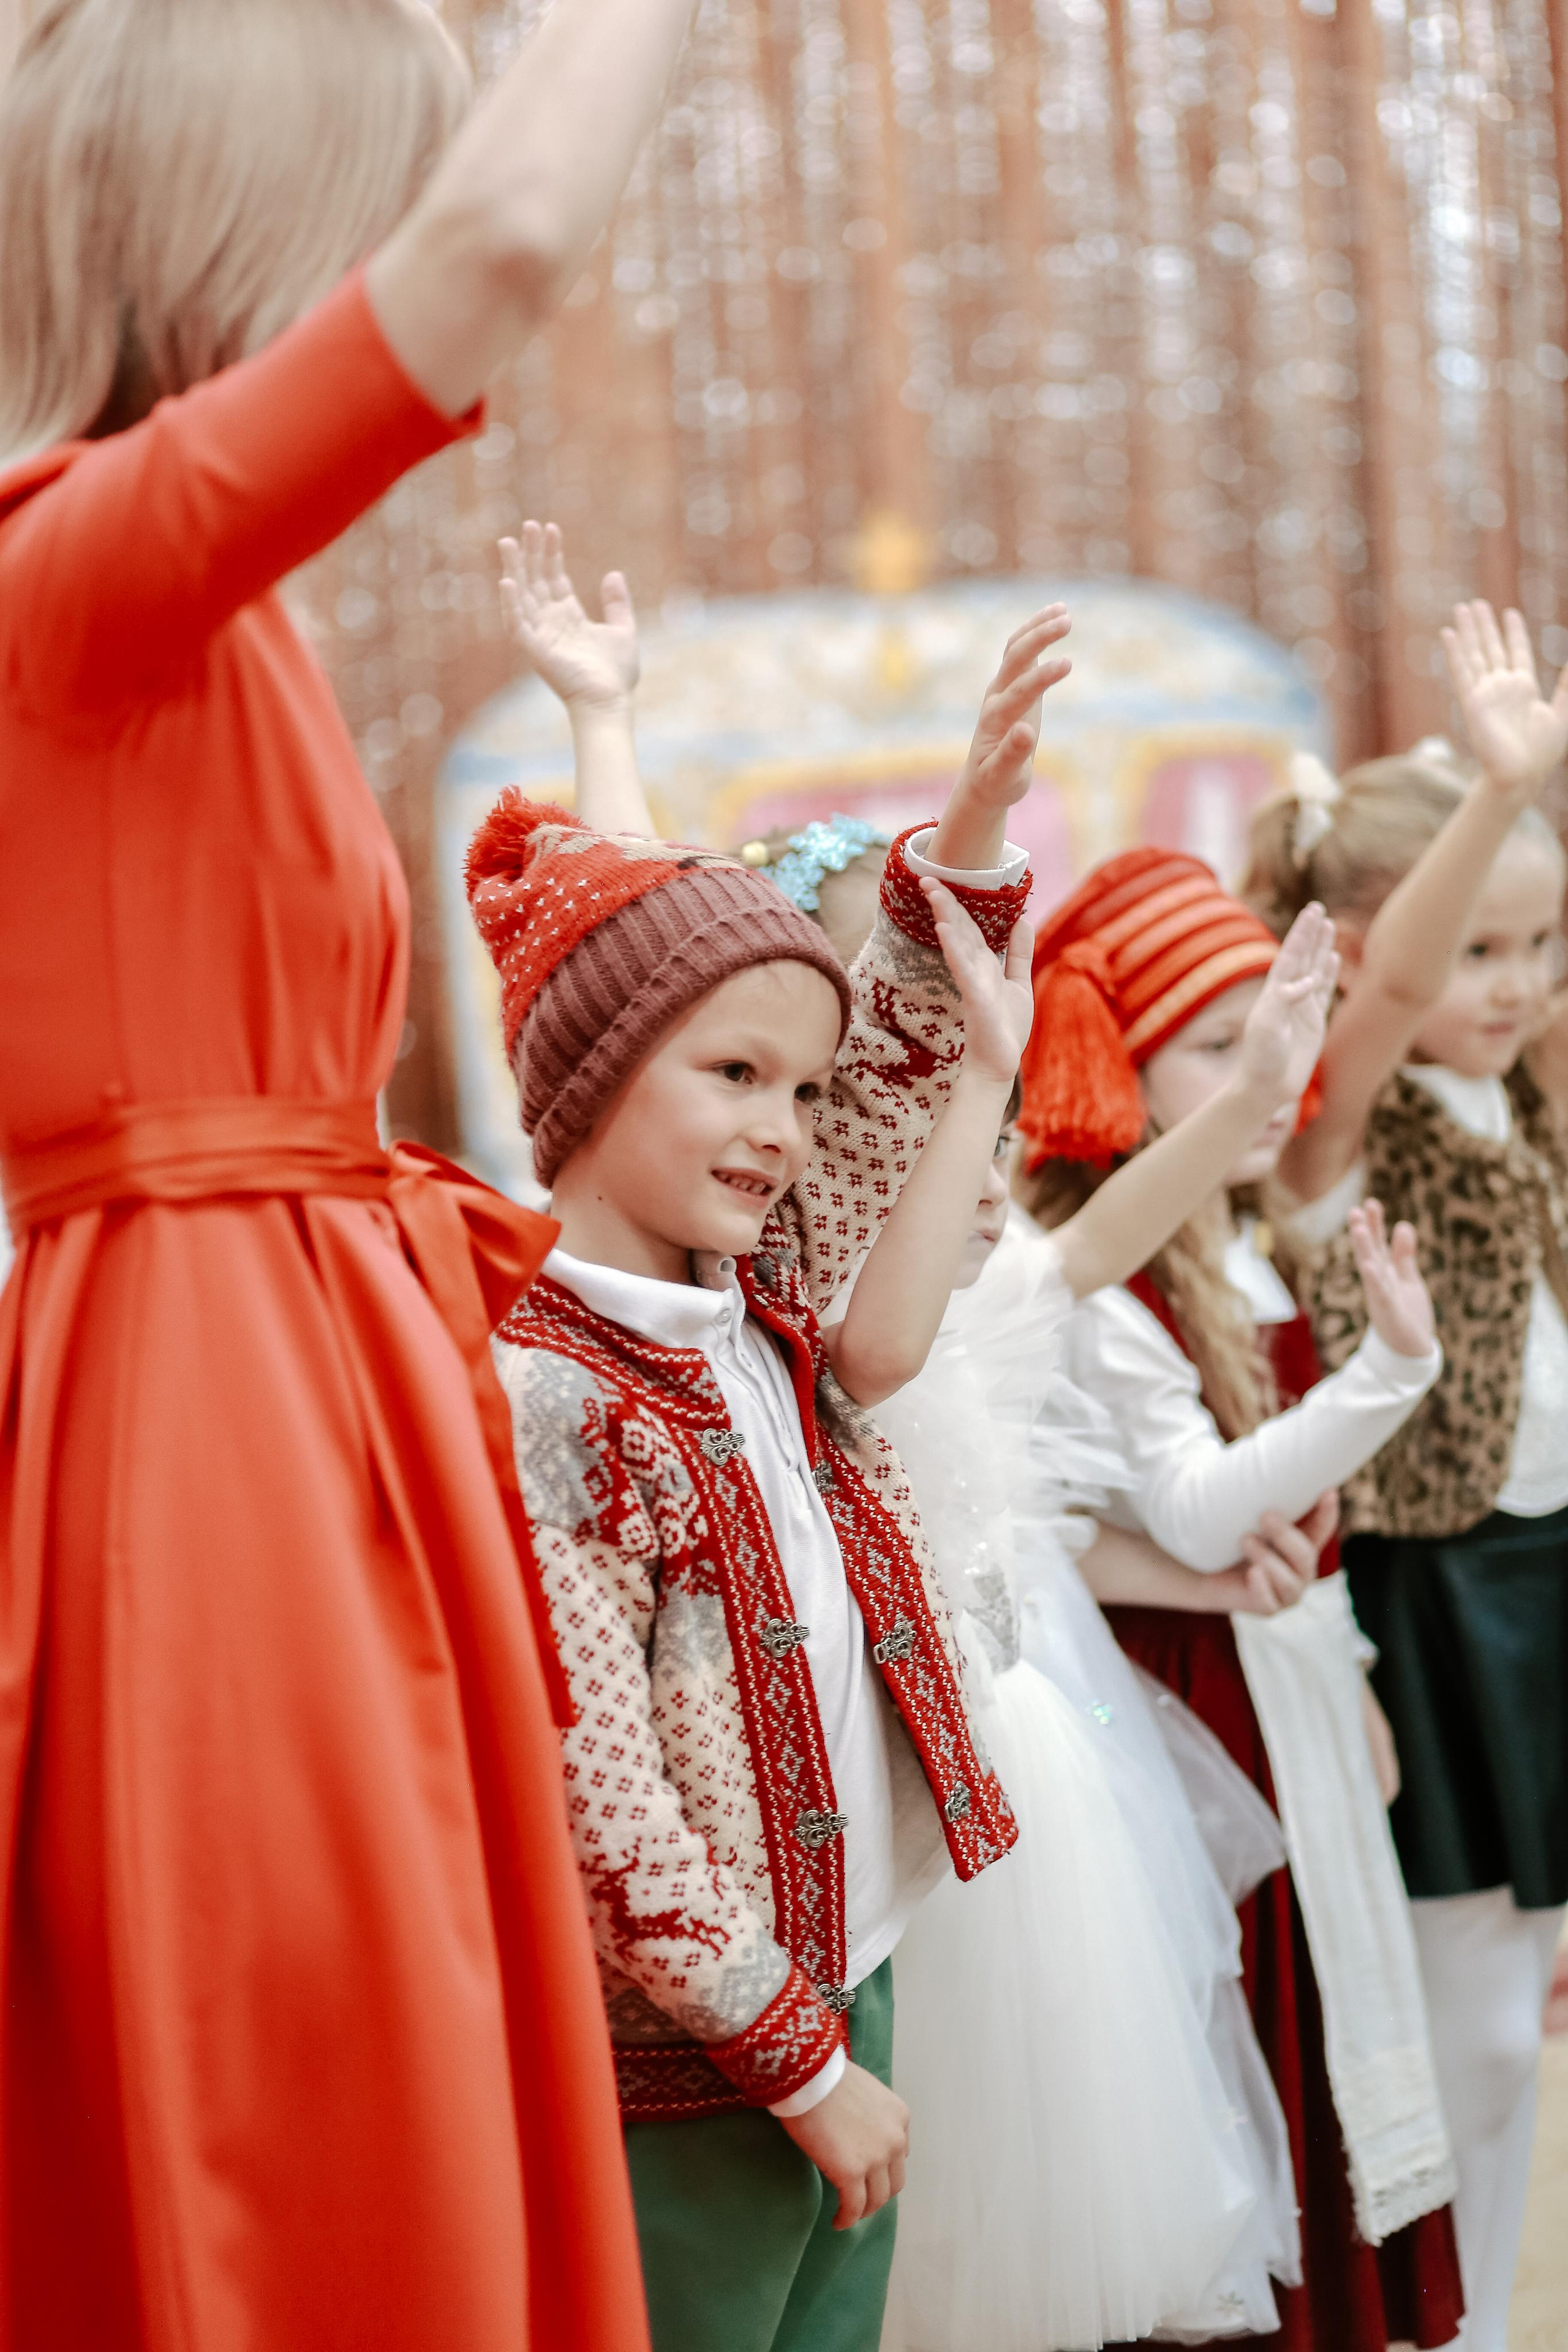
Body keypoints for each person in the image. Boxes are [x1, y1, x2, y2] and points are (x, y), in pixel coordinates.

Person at [0, 2, 702, 2343]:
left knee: (385, 2055)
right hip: (217, 1415)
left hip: (302, 1376)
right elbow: (508, 240)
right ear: (255, 235)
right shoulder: (74, 581)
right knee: (304, 2087)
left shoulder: (177, 611)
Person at [488, 528, 1338, 2352]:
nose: (788, 1130)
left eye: (796, 1089)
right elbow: (597, 1795)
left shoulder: (765, 1319)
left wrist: (963, 847)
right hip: (705, 2058)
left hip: (853, 1966)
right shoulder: (547, 1392)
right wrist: (796, 2058)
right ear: (581, 1083)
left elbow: (879, 1099)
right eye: (736, 1080)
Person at [1017, 848, 1468, 2352]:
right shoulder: (1104, 1278)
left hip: (1275, 1688)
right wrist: (1388, 1376)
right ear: (1115, 1064)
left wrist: (1342, 1670)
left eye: (1272, 1033)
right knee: (1252, 2030)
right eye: (1217, 1044)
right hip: (1180, 1713)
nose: (1266, 1075)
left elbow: (1286, 1541)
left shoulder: (1230, 1247)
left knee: (1331, 2022)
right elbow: (1206, 1511)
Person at [1242, 602, 1568, 2352]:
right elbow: (1380, 993)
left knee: (1525, 2004)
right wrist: (1500, 794)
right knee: (1468, 2030)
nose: (1515, 984)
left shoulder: (1532, 1100)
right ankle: (1440, 2329)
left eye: (1544, 947)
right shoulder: (1336, 1125)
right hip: (1431, 1588)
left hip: (1545, 1564)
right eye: (1482, 948)